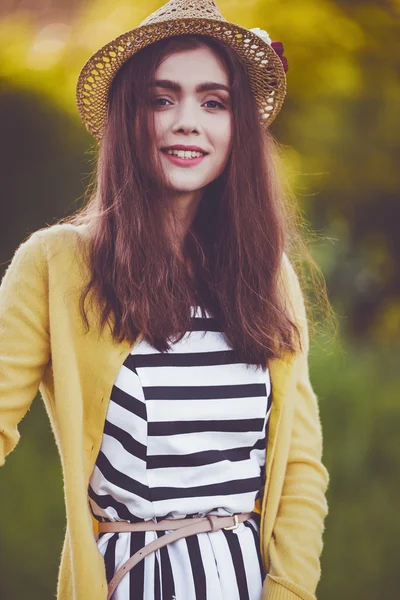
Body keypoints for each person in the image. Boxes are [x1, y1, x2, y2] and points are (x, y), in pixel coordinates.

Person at [0, 0, 330, 599]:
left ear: (238, 128)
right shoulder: (55, 265)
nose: (187, 121)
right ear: (130, 118)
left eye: (213, 101)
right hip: (130, 581)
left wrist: (290, 591)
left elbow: (301, 468)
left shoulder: (267, 275)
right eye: (161, 98)